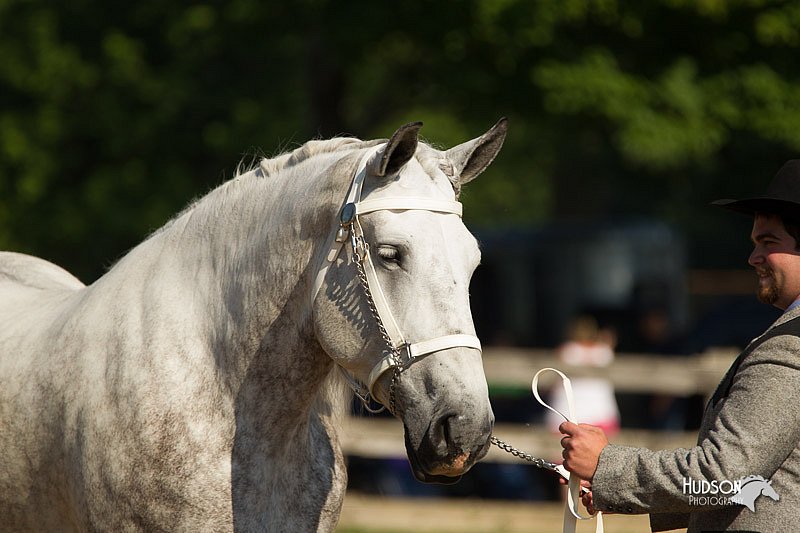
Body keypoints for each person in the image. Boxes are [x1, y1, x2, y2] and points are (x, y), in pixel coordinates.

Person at [559, 160, 800, 532]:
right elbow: (768, 488)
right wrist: (611, 487)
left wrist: (606, 464)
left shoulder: (788, 349)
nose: (753, 258)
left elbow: (723, 478)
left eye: (768, 243)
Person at [546, 315, 620, 436]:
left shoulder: (565, 352)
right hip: (601, 414)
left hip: (567, 415)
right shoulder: (605, 352)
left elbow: (551, 383)